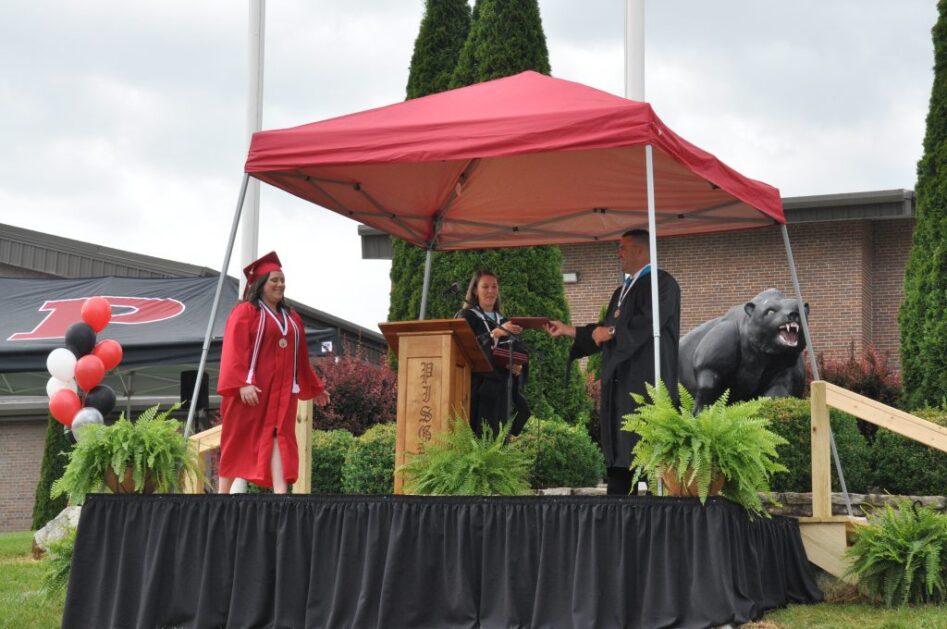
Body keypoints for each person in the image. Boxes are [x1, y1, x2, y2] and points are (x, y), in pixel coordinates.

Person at [545, 230, 680, 495]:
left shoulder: (662, 284)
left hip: (645, 384)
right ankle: (618, 507)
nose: (618, 253)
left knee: (646, 453)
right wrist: (568, 330)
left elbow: (647, 323)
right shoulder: (622, 291)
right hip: (619, 386)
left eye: (623, 247)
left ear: (640, 251)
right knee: (619, 456)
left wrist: (613, 332)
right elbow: (604, 331)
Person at [217, 251, 330, 494]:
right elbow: (234, 348)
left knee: (279, 435)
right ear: (260, 284)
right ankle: (221, 496)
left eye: (282, 280)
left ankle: (281, 495)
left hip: (281, 393)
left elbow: (300, 358)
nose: (280, 284)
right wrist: (241, 383)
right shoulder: (246, 312)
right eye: (274, 280)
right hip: (251, 393)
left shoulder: (291, 317)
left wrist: (316, 388)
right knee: (238, 438)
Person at [456, 270, 531, 437]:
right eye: (485, 287)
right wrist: (493, 334)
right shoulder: (466, 317)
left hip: (503, 389)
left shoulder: (505, 321)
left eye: (494, 287)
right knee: (480, 436)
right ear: (475, 290)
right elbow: (464, 348)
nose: (490, 291)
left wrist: (518, 365)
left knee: (501, 438)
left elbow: (520, 349)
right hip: (478, 389)